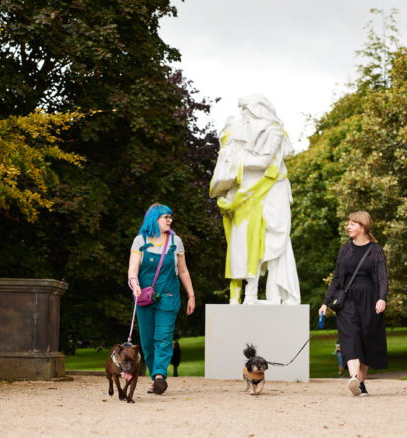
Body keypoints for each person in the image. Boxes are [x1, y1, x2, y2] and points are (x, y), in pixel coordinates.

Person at [209, 94, 300, 305]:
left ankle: (276, 294)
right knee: (251, 245)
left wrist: (234, 161)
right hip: (251, 197)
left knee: (275, 242)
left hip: (271, 192)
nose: (243, 116)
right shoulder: (244, 133)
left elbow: (265, 161)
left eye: (246, 111)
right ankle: (254, 295)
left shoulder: (274, 131)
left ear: (258, 110)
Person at [128, 203, 196, 394]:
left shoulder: (176, 242)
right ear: (154, 219)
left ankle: (159, 376)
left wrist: (191, 295)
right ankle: (154, 376)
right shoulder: (140, 241)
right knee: (148, 341)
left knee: (163, 338)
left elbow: (183, 271)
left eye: (170, 217)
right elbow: (133, 270)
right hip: (144, 298)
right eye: (166, 217)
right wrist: (135, 284)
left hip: (169, 297)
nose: (170, 220)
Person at [318, 211, 388, 396]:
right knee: (350, 338)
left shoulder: (376, 251)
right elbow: (336, 279)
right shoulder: (345, 250)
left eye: (352, 224)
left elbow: (382, 278)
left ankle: (360, 383)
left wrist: (382, 298)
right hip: (347, 300)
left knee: (366, 341)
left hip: (370, 300)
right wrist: (325, 303)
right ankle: (354, 378)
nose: (348, 226)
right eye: (348, 223)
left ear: (362, 227)